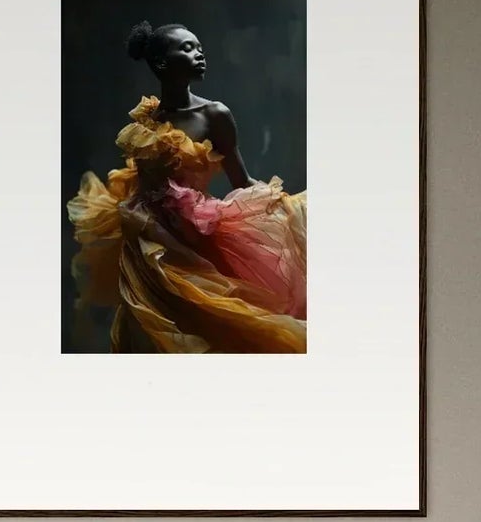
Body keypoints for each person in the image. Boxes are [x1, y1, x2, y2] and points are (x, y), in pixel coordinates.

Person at [67, 19, 307, 354]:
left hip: (193, 235)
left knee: (209, 323)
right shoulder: (146, 120)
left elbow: (240, 179)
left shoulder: (214, 114)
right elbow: (144, 179)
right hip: (146, 237)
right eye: (187, 48)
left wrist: (284, 204)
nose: (199, 53)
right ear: (163, 64)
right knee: (149, 328)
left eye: (199, 47)